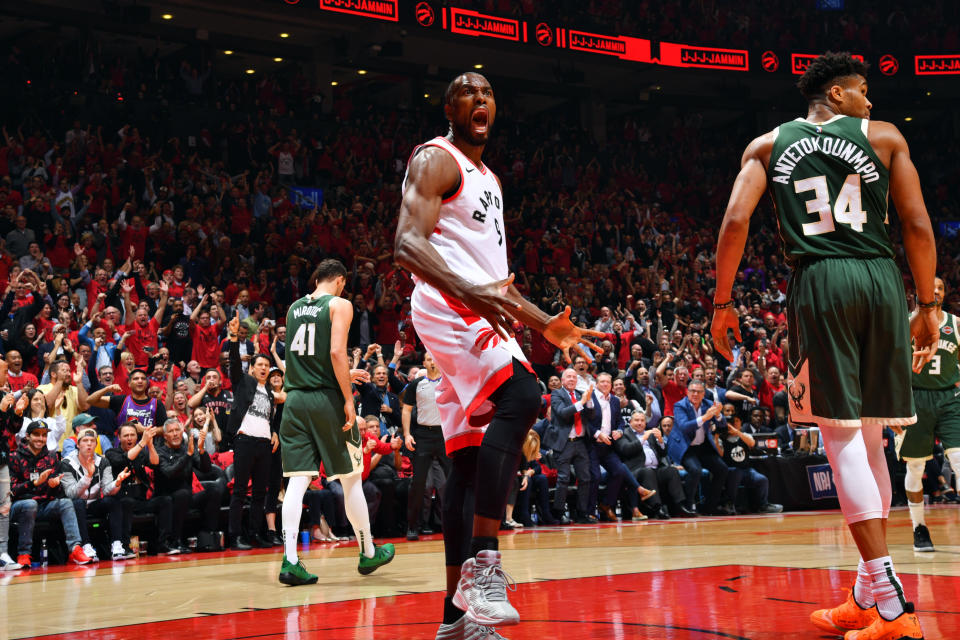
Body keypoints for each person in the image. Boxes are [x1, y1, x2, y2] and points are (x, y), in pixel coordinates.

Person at [710, 52, 936, 639]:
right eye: (862, 90)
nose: (871, 101)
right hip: (881, 281)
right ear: (835, 96)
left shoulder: (766, 147)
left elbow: (735, 222)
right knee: (871, 436)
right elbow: (915, 224)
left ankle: (888, 602)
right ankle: (866, 594)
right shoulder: (884, 139)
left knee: (840, 442)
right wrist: (929, 306)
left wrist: (723, 301)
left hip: (822, 280)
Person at [394, 72, 602, 636]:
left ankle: (456, 619)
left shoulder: (491, 179)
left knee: (464, 461)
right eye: (468, 92)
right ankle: (485, 565)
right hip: (447, 303)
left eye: (487, 93)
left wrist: (546, 325)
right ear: (449, 107)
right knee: (524, 393)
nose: (479, 99)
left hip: (478, 305)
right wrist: (469, 292)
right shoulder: (436, 160)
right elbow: (405, 245)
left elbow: (498, 284)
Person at [277, 258, 395, 587]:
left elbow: (303, 358)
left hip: (295, 399)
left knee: (297, 481)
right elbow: (335, 353)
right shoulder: (339, 304)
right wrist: (346, 397)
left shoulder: (293, 308)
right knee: (350, 476)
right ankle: (368, 551)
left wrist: (342, 375)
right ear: (341, 281)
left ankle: (290, 561)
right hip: (325, 400)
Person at [898, 276, 960, 553]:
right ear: (917, 292)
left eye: (940, 288)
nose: (935, 291)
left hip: (949, 398)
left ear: (944, 294)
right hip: (915, 399)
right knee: (915, 467)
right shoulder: (904, 323)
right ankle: (918, 527)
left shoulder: (956, 324)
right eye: (930, 286)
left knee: (959, 460)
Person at [226, 313, 282, 550]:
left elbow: (271, 417)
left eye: (267, 366)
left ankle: (254, 534)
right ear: (252, 367)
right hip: (245, 441)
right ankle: (234, 536)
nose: (264, 368)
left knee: (261, 491)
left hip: (263, 444)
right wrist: (232, 337)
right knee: (240, 490)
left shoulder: (269, 392)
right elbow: (235, 363)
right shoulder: (244, 382)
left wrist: (274, 432)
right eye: (260, 365)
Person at [9, 421, 92, 566]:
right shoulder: (14, 457)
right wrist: (33, 483)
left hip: (45, 506)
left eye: (44, 435)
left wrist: (54, 485)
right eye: (36, 435)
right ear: (27, 436)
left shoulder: (52, 457)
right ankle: (24, 554)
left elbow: (57, 490)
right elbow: (12, 490)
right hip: (19, 506)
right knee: (30, 504)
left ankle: (75, 549)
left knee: (66, 503)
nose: (40, 439)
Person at [59, 423, 135, 561]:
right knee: (77, 503)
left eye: (92, 441)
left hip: (94, 504)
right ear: (78, 444)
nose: (89, 444)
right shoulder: (67, 463)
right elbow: (71, 493)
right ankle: (86, 546)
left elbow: (106, 490)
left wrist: (117, 483)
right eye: (85, 441)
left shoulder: (103, 461)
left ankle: (117, 544)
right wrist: (88, 476)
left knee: (114, 500)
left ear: (96, 444)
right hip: (75, 506)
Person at [105, 421, 178, 555]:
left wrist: (149, 445)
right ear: (119, 438)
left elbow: (155, 463)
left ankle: (163, 544)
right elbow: (124, 459)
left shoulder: (141, 453)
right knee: (126, 503)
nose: (129, 438)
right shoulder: (111, 453)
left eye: (133, 435)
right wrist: (142, 443)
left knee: (165, 501)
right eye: (126, 435)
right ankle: (125, 546)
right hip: (123, 500)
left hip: (141, 500)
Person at [403, 352, 450, 541]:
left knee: (452, 481)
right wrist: (407, 434)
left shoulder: (449, 382)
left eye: (434, 359)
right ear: (424, 363)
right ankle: (413, 526)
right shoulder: (416, 383)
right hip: (423, 435)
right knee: (418, 483)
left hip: (444, 435)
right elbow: (406, 410)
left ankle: (455, 522)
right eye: (428, 359)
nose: (432, 362)